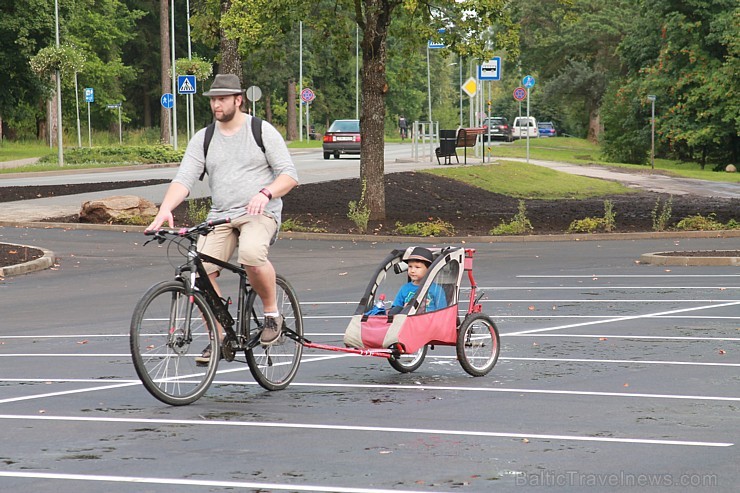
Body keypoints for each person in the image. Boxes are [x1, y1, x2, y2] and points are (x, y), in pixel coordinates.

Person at [145, 73, 299, 363]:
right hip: (221, 216)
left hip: (259, 212)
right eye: (213, 99)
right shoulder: (204, 138)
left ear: (238, 100)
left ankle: (271, 314)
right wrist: (165, 208)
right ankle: (220, 335)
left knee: (252, 254)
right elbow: (184, 178)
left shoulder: (261, 131)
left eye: (222, 99)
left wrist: (265, 193)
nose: (216, 104)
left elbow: (289, 175)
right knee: (200, 270)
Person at [390, 247, 446, 314]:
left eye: (417, 267)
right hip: (408, 321)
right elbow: (395, 309)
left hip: (429, 322)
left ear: (429, 269)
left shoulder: (437, 290)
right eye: (410, 266)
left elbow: (443, 312)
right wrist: (403, 309)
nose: (412, 271)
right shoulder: (404, 288)